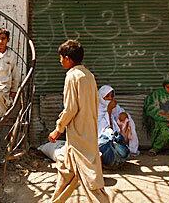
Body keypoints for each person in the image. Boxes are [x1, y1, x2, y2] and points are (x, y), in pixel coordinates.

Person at [48, 40, 110, 203]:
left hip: (79, 136)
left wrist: (58, 128)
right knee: (66, 170)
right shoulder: (88, 75)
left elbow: (70, 108)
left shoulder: (72, 76)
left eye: (61, 57)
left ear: (68, 58)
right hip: (86, 131)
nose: (60, 61)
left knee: (90, 179)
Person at [97, 85, 139, 167]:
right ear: (101, 97)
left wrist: (124, 115)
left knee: (127, 120)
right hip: (102, 137)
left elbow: (120, 114)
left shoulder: (114, 106)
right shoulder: (97, 108)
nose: (110, 98)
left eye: (112, 96)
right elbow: (102, 127)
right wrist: (108, 110)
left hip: (116, 135)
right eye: (107, 96)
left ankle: (126, 147)